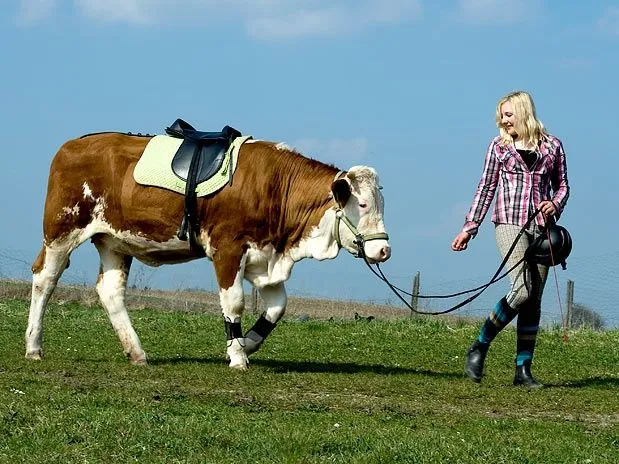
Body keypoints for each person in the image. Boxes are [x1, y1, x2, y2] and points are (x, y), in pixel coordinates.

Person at [451, 90, 570, 387]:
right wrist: (470, 227)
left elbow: (563, 186)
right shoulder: (498, 147)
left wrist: (554, 205)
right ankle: (480, 344)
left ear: (523, 112)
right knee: (521, 290)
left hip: (542, 229)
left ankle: (523, 370)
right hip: (509, 223)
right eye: (500, 115)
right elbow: (485, 187)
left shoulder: (553, 146)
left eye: (507, 114)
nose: (502, 121)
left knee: (533, 301)